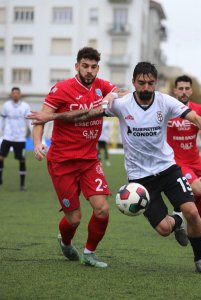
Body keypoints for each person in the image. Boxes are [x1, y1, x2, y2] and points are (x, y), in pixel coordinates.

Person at [27, 62, 201, 275]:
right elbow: (86, 114)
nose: (146, 87)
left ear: (155, 83)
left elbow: (193, 116)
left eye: (150, 83)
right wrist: (51, 117)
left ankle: (200, 260)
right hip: (141, 179)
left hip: (168, 168)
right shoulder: (121, 103)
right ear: (133, 82)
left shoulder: (166, 102)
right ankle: (177, 221)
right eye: (141, 83)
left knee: (192, 211)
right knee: (165, 229)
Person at [31, 47, 126, 268]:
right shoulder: (61, 89)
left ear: (97, 68)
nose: (89, 71)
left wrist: (114, 94)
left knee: (102, 208)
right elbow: (41, 119)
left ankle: (89, 253)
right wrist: (37, 143)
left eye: (93, 67)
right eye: (85, 66)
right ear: (77, 66)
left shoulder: (102, 86)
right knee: (74, 219)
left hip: (89, 160)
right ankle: (65, 241)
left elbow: (124, 94)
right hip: (62, 162)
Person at [167, 75, 201, 243]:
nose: (184, 92)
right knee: (199, 191)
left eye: (187, 89)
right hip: (177, 162)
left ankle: (194, 227)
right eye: (180, 89)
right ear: (175, 90)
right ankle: (182, 219)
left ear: (191, 90)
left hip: (195, 161)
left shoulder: (197, 108)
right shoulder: (168, 108)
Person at [0, 87, 31, 191]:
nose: (15, 95)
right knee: (1, 157)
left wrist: (32, 133)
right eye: (13, 93)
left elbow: (29, 122)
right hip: (7, 136)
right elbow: (2, 119)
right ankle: (0, 178)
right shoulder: (6, 105)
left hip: (20, 138)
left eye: (17, 93)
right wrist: (2, 131)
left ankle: (22, 185)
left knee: (21, 160)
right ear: (11, 94)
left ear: (20, 94)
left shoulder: (25, 106)